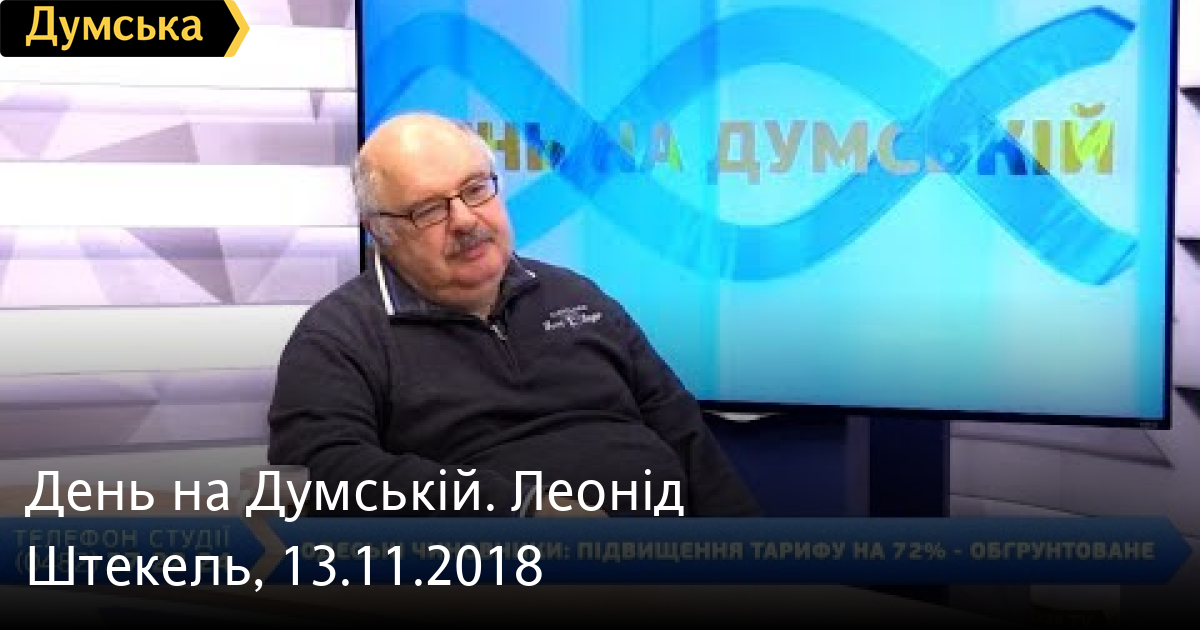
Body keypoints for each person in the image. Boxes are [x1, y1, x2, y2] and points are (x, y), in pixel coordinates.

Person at [266, 112, 760, 517]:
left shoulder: (576, 295)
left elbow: (684, 434)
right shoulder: (339, 337)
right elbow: (320, 472)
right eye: (429, 210)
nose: (465, 220)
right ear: (381, 231)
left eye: (475, 189)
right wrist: (516, 509)